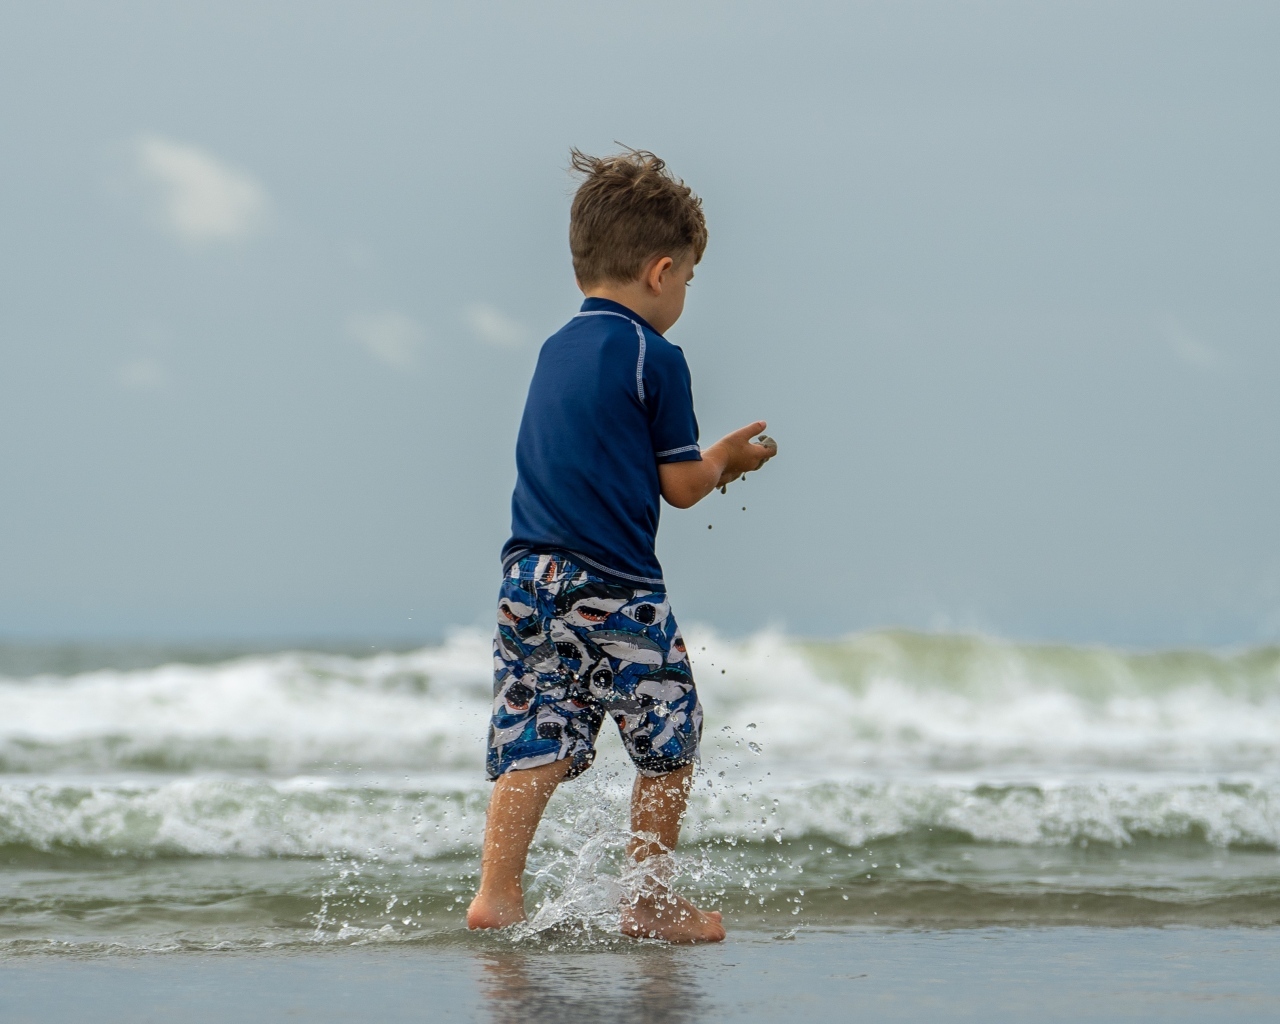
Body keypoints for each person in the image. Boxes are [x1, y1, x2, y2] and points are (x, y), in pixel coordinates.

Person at [466, 148, 776, 943]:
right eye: (689, 280)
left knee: (537, 728)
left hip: (527, 573)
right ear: (661, 272)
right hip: (613, 581)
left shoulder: (554, 348)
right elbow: (682, 485)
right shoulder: (655, 357)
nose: (685, 296)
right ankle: (649, 901)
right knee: (671, 731)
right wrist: (727, 461)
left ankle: (497, 894)